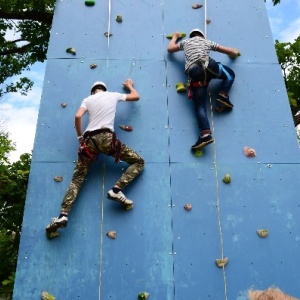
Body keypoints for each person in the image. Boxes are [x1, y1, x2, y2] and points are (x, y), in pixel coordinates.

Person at [46, 79, 144, 234]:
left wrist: (80, 138)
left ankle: (63, 215)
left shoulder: (87, 99)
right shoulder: (113, 95)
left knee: (77, 179)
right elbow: (135, 97)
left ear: (93, 91)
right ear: (104, 89)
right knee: (138, 162)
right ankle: (117, 190)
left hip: (88, 142)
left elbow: (78, 116)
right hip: (106, 138)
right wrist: (130, 86)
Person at [167, 28, 240, 150]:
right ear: (202, 35)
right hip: (208, 66)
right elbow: (228, 51)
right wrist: (235, 52)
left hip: (194, 73)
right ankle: (223, 95)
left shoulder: (185, 42)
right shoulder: (206, 42)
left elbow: (170, 49)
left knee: (200, 106)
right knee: (230, 74)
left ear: (191, 36)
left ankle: (205, 134)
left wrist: (175, 36)